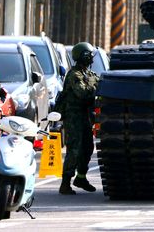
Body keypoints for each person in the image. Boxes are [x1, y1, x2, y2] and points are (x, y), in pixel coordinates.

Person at [57, 42, 100, 195]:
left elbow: (98, 82)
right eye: (89, 55)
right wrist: (96, 88)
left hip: (85, 117)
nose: (91, 58)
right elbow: (82, 93)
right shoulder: (74, 75)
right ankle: (65, 182)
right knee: (74, 149)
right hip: (74, 117)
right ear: (83, 56)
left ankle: (81, 177)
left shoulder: (88, 74)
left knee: (88, 147)